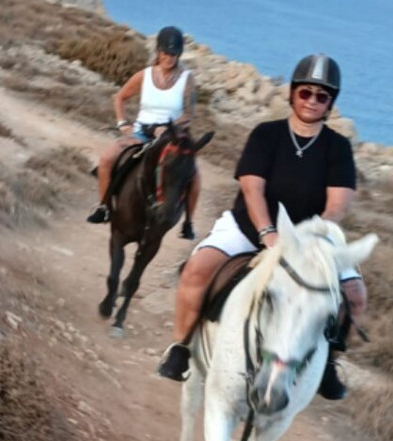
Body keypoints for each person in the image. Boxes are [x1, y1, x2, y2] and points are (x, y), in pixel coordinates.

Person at [156, 52, 365, 400]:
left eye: (322, 96)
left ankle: (329, 361)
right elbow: (253, 189)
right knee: (196, 270)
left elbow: (338, 204)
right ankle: (180, 347)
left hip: (308, 240)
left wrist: (310, 240)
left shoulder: (338, 148)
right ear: (293, 94)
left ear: (330, 103)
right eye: (305, 93)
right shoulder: (266, 135)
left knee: (356, 296)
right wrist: (269, 234)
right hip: (250, 228)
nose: (312, 101)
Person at [86, 25, 201, 240]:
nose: (170, 58)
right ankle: (104, 207)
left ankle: (188, 223)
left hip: (171, 137)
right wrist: (122, 124)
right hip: (140, 132)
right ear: (158, 51)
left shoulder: (187, 79)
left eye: (174, 54)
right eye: (166, 53)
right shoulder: (144, 75)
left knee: (194, 176)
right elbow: (119, 97)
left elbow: (189, 114)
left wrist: (168, 128)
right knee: (107, 159)